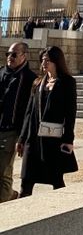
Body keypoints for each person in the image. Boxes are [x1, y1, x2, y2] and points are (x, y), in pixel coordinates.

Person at [16, 46, 78, 195]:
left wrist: (68, 139)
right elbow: (29, 112)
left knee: (56, 179)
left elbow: (70, 113)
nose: (44, 63)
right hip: (33, 137)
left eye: (48, 60)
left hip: (52, 138)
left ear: (56, 61)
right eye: (43, 60)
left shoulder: (67, 82)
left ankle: (61, 210)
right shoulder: (38, 83)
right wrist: (22, 138)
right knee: (26, 180)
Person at [0, 43, 36, 202]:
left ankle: (4, 204)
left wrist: (23, 137)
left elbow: (30, 111)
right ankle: (12, 196)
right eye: (8, 54)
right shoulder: (1, 73)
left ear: (24, 56)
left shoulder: (30, 79)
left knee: (3, 172)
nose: (10, 57)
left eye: (14, 54)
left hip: (12, 131)